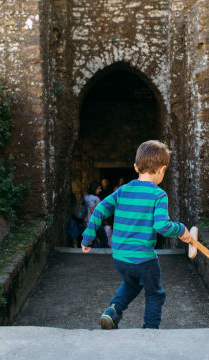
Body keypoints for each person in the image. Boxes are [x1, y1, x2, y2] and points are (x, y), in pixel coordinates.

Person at [81, 140, 191, 329]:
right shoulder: (158, 195)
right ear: (162, 169)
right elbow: (162, 226)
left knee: (131, 284)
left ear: (135, 167)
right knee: (155, 294)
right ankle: (149, 331)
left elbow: (99, 210)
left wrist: (87, 238)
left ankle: (112, 310)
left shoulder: (123, 191)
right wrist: (181, 230)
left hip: (120, 258)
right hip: (144, 260)